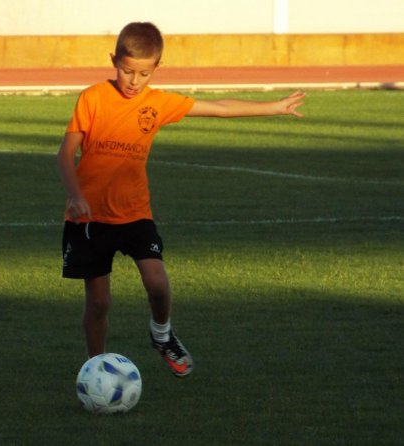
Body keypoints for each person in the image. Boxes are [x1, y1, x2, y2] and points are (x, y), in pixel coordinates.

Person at [57, 22, 305, 377]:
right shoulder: (92, 98)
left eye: (143, 73)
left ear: (157, 68)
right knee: (98, 302)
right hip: (89, 220)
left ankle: (162, 334)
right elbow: (65, 154)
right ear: (114, 61)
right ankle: (95, 369)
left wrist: (274, 107)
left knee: (157, 283)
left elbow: (218, 107)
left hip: (135, 215)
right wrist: (76, 194)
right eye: (127, 71)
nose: (133, 80)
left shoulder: (159, 103)